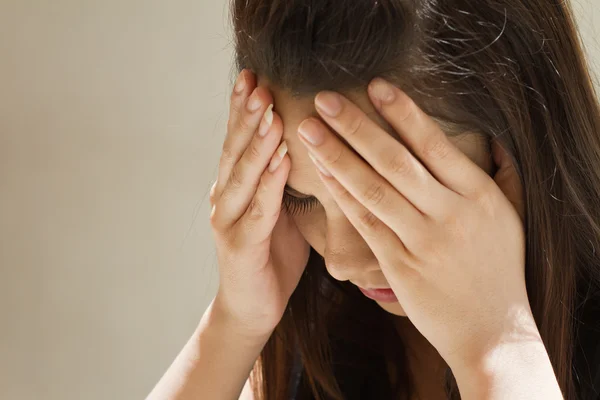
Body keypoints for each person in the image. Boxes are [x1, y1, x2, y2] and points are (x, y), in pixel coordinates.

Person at [147, 0, 600, 398]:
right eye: (302, 198)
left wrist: (499, 344)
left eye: (391, 197)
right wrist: (236, 323)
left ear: (520, 145)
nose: (341, 261)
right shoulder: (332, 338)